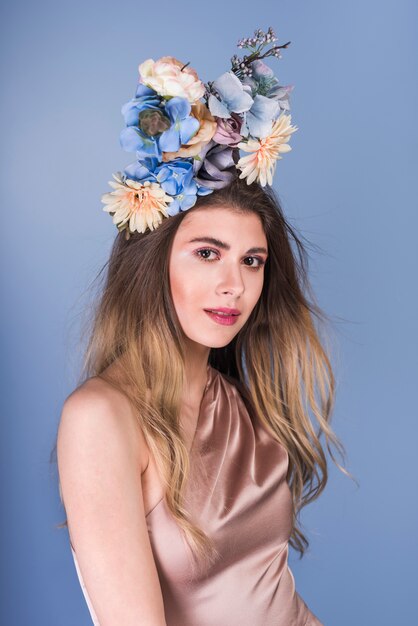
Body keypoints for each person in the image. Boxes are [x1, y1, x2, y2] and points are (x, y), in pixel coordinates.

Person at [54, 27, 351, 625]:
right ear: (153, 260)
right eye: (207, 253)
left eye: (252, 261)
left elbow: (271, 596)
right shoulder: (101, 419)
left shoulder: (244, 404)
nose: (234, 286)